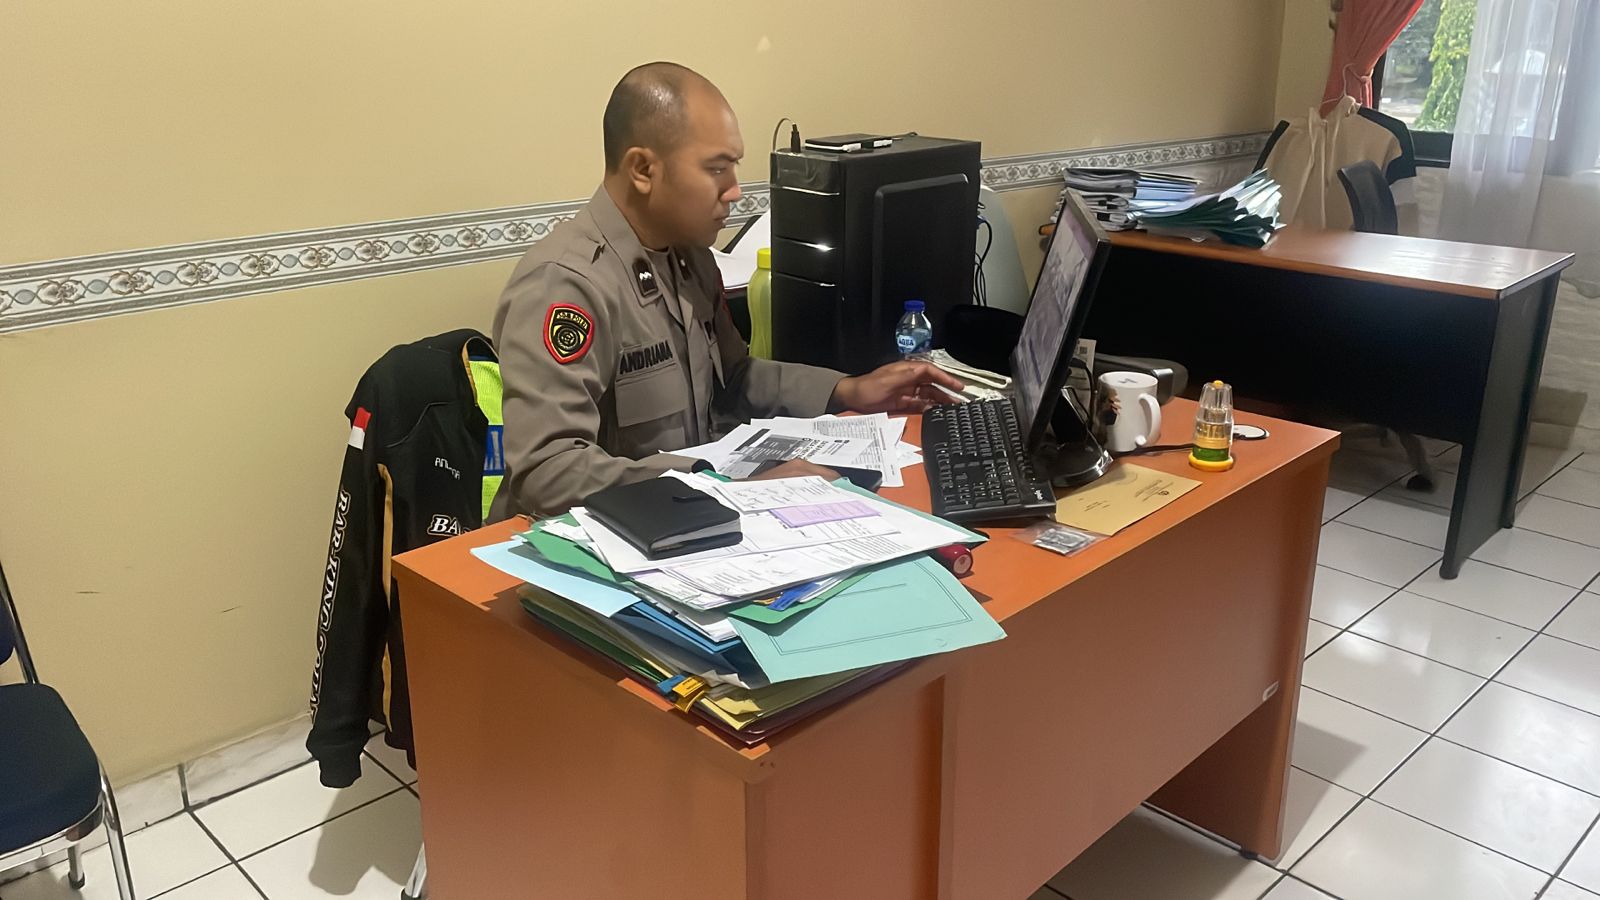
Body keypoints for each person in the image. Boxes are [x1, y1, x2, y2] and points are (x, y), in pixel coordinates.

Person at [490, 62, 962, 518]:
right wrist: (716, 487)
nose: (735, 190)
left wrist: (848, 389)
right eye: (717, 169)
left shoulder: (688, 257)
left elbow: (734, 379)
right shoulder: (567, 283)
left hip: (687, 521)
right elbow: (548, 471)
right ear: (642, 169)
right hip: (598, 539)